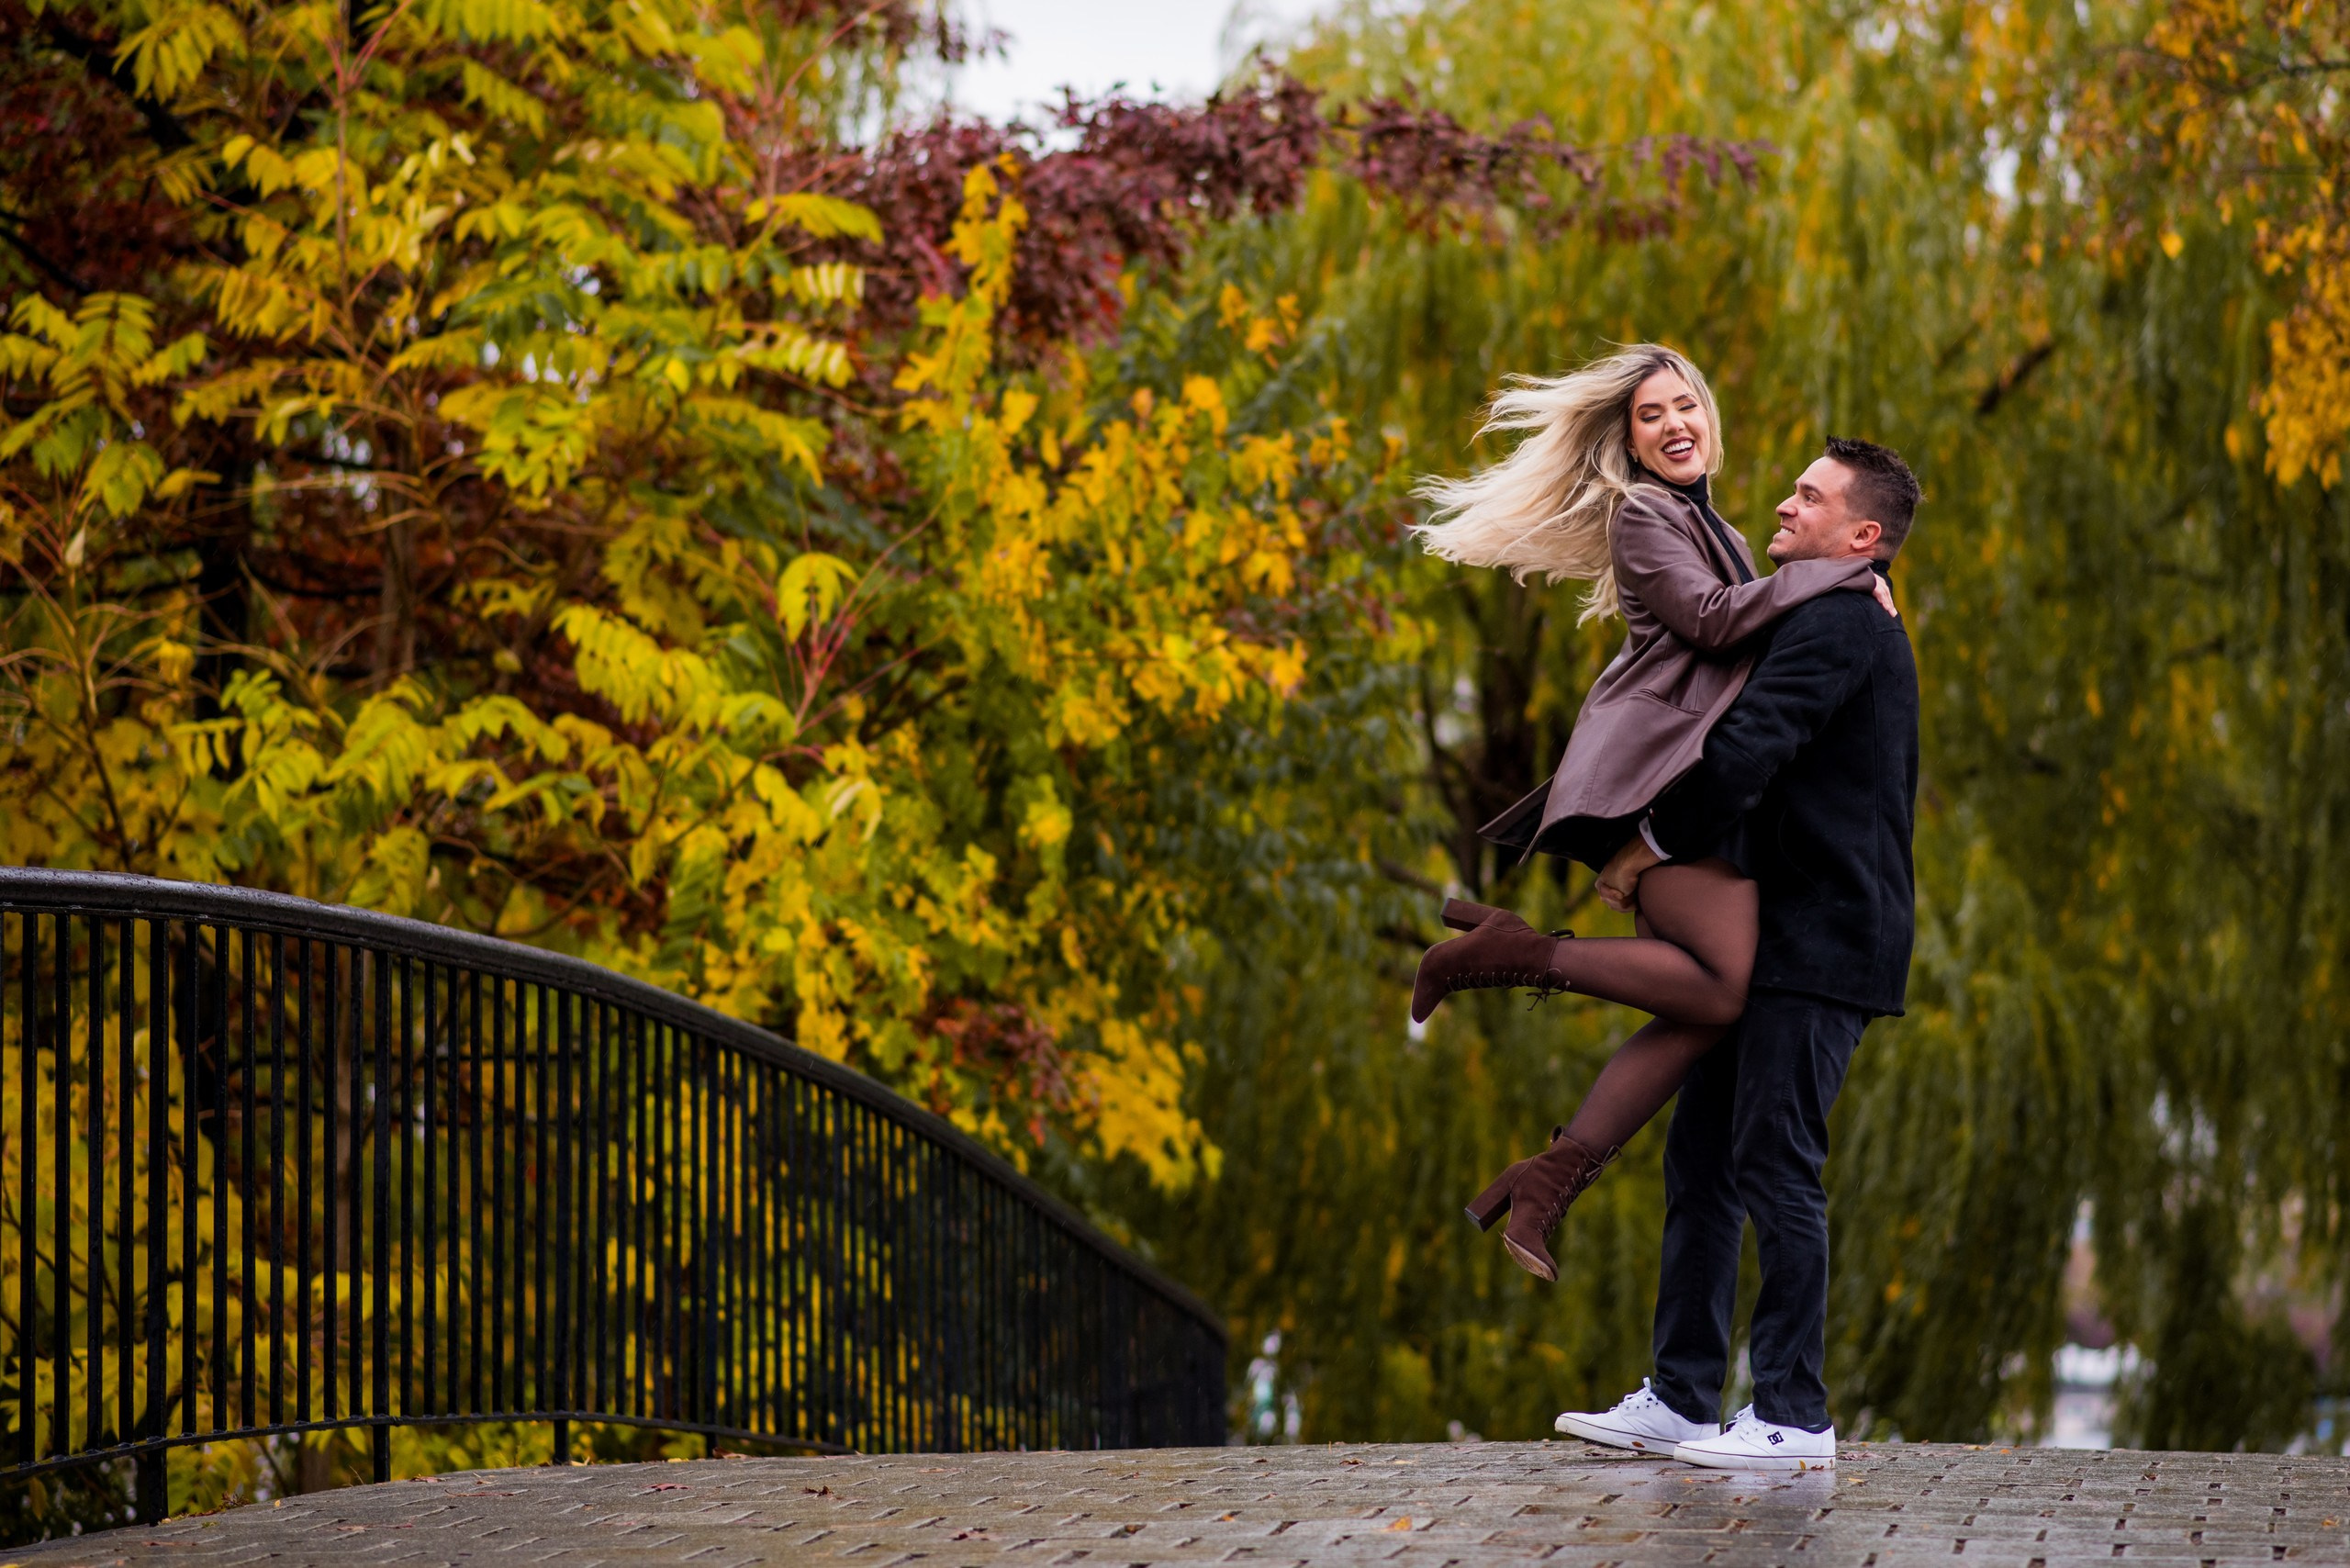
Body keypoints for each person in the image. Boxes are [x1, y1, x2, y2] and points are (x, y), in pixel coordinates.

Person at [1410, 346, 1896, 1287]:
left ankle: (1549, 1177)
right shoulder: (1641, 514)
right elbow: (1713, 621)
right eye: (1649, 415)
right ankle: (1512, 954)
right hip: (1655, 781)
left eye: (1686, 406)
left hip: (1686, 786)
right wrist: (1842, 571)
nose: (1675, 424)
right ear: (1625, 442)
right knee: (1720, 987)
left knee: (1704, 1003)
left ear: (1707, 415)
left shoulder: (1712, 524)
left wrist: (1837, 578)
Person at [1553, 437, 1922, 1471]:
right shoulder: (1820, 611)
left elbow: (1748, 747)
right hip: (1770, 940)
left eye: (1809, 496)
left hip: (1823, 942)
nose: (1785, 501)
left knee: (1774, 1163)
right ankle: (1679, 1395)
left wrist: (1646, 848)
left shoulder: (1844, 622)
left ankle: (1794, 1415)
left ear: (1862, 537)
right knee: (1704, 1161)